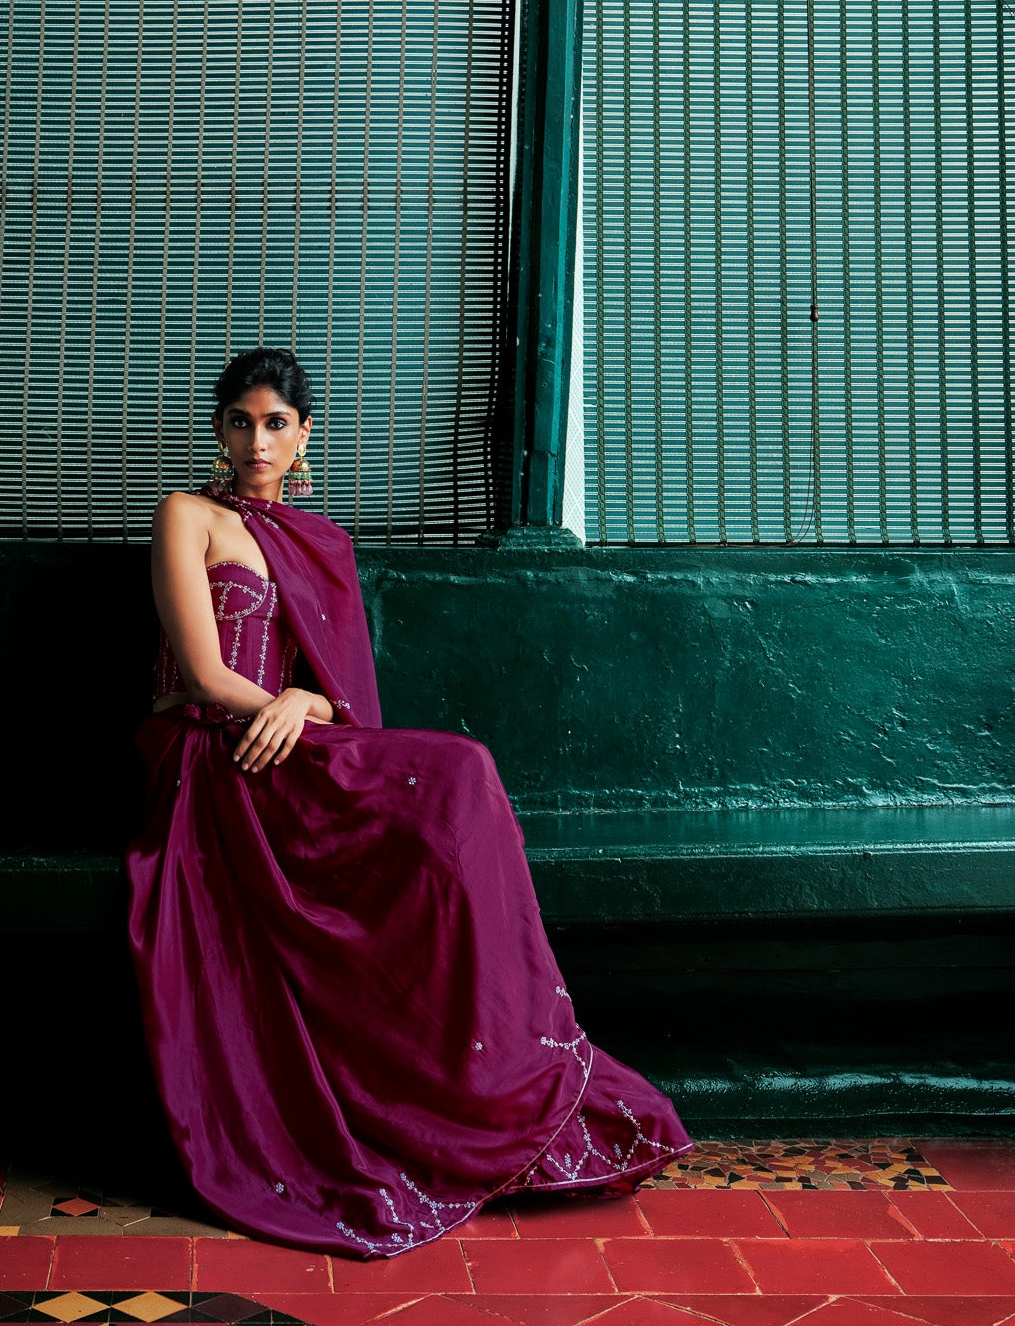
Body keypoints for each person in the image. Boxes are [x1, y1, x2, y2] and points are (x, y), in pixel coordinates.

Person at [125, 347, 691, 1258]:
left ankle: (502, 1069)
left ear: (304, 437)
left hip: (288, 740)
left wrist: (302, 702)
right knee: (455, 774)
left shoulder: (321, 542)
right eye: (240, 421)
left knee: (461, 779)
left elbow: (337, 693)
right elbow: (200, 672)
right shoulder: (186, 515)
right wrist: (280, 707)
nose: (257, 441)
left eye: (276, 424)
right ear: (220, 430)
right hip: (205, 746)